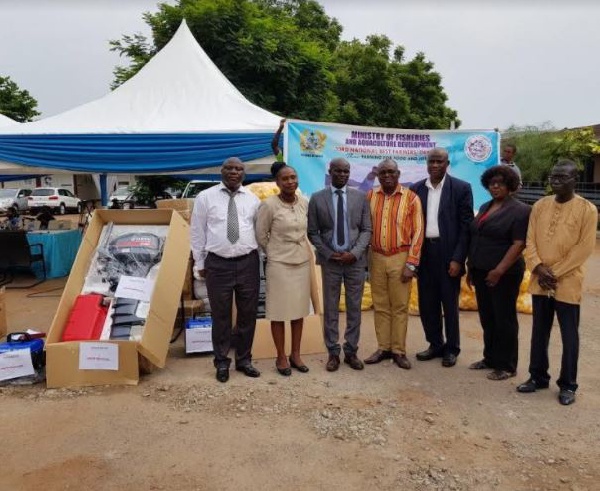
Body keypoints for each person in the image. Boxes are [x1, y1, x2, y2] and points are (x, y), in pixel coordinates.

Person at [517, 160, 598, 405]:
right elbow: (530, 241)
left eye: (562, 177)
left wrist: (555, 273)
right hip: (540, 279)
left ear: (575, 179)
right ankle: (537, 376)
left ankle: (568, 385)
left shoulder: (587, 210)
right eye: (553, 176)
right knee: (539, 331)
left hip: (568, 281)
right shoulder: (540, 206)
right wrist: (539, 268)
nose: (556, 181)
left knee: (569, 334)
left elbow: (584, 249)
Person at [190, 157, 261, 383]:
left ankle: (244, 359)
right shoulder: (205, 197)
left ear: (244, 174)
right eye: (229, 168)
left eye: (239, 169)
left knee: (248, 314)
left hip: (248, 262)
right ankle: (221, 362)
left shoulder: (253, 199)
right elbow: (197, 232)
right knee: (220, 315)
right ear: (221, 171)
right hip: (217, 263)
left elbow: (259, 230)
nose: (234, 172)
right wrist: (199, 263)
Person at [410, 148, 474, 367]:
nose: (435, 165)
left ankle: (452, 348)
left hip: (448, 254)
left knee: (449, 304)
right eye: (431, 162)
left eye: (439, 161)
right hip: (424, 253)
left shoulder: (461, 188)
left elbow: (466, 227)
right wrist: (413, 259)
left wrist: (458, 259)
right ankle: (435, 344)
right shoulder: (416, 189)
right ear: (426, 164)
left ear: (447, 164)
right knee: (427, 304)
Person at [307, 158, 372, 372]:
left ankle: (351, 351)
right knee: (331, 307)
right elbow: (313, 232)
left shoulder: (360, 197)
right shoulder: (317, 199)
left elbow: (366, 230)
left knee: (354, 307)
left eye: (346, 171)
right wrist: (328, 253)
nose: (343, 175)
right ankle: (333, 353)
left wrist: (354, 254)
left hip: (355, 262)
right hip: (331, 262)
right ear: (330, 171)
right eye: (338, 171)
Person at [467, 165, 531, 380]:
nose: (495, 187)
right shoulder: (486, 206)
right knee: (487, 317)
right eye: (492, 183)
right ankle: (490, 358)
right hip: (480, 270)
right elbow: (476, 237)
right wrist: (471, 268)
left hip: (505, 274)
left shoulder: (521, 210)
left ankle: (507, 365)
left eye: (500, 183)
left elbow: (519, 243)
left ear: (510, 185)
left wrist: (499, 270)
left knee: (504, 319)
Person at [364, 159, 424, 370]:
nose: (387, 176)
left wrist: (412, 264)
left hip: (401, 257)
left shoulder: (411, 198)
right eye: (383, 173)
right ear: (378, 175)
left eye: (391, 172)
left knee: (399, 306)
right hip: (376, 257)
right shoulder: (370, 196)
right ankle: (383, 348)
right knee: (380, 305)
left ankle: (398, 350)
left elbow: (418, 233)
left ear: (398, 174)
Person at [256, 162, 311, 376]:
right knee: (278, 313)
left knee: (298, 312)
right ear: (277, 182)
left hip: (302, 262)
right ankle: (280, 356)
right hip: (279, 264)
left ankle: (296, 354)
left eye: (293, 177)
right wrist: (274, 252)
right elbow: (261, 235)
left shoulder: (304, 203)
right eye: (285, 178)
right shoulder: (269, 205)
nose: (290, 181)